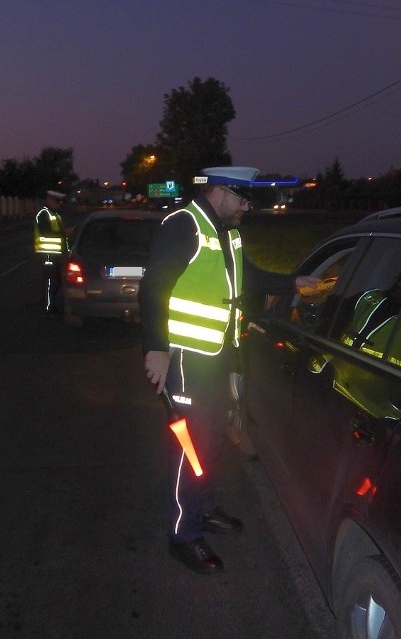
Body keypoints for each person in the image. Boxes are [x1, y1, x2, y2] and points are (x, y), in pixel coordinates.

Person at [139, 166, 320, 575]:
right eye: (242, 199)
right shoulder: (184, 226)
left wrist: (294, 283)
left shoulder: (230, 232)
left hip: (218, 354)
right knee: (190, 446)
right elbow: (154, 288)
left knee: (213, 436)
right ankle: (183, 534)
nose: (247, 207)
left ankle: (203, 508)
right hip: (185, 358)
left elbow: (248, 277)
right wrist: (155, 349)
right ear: (219, 192)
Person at [33, 190, 67, 313]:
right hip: (48, 254)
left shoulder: (55, 214)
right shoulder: (43, 214)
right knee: (50, 281)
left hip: (56, 254)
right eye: (57, 201)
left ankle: (49, 304)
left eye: (60, 202)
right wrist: (64, 233)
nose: (59, 204)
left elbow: (60, 236)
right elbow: (46, 232)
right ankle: (47, 308)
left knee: (56, 281)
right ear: (49, 200)